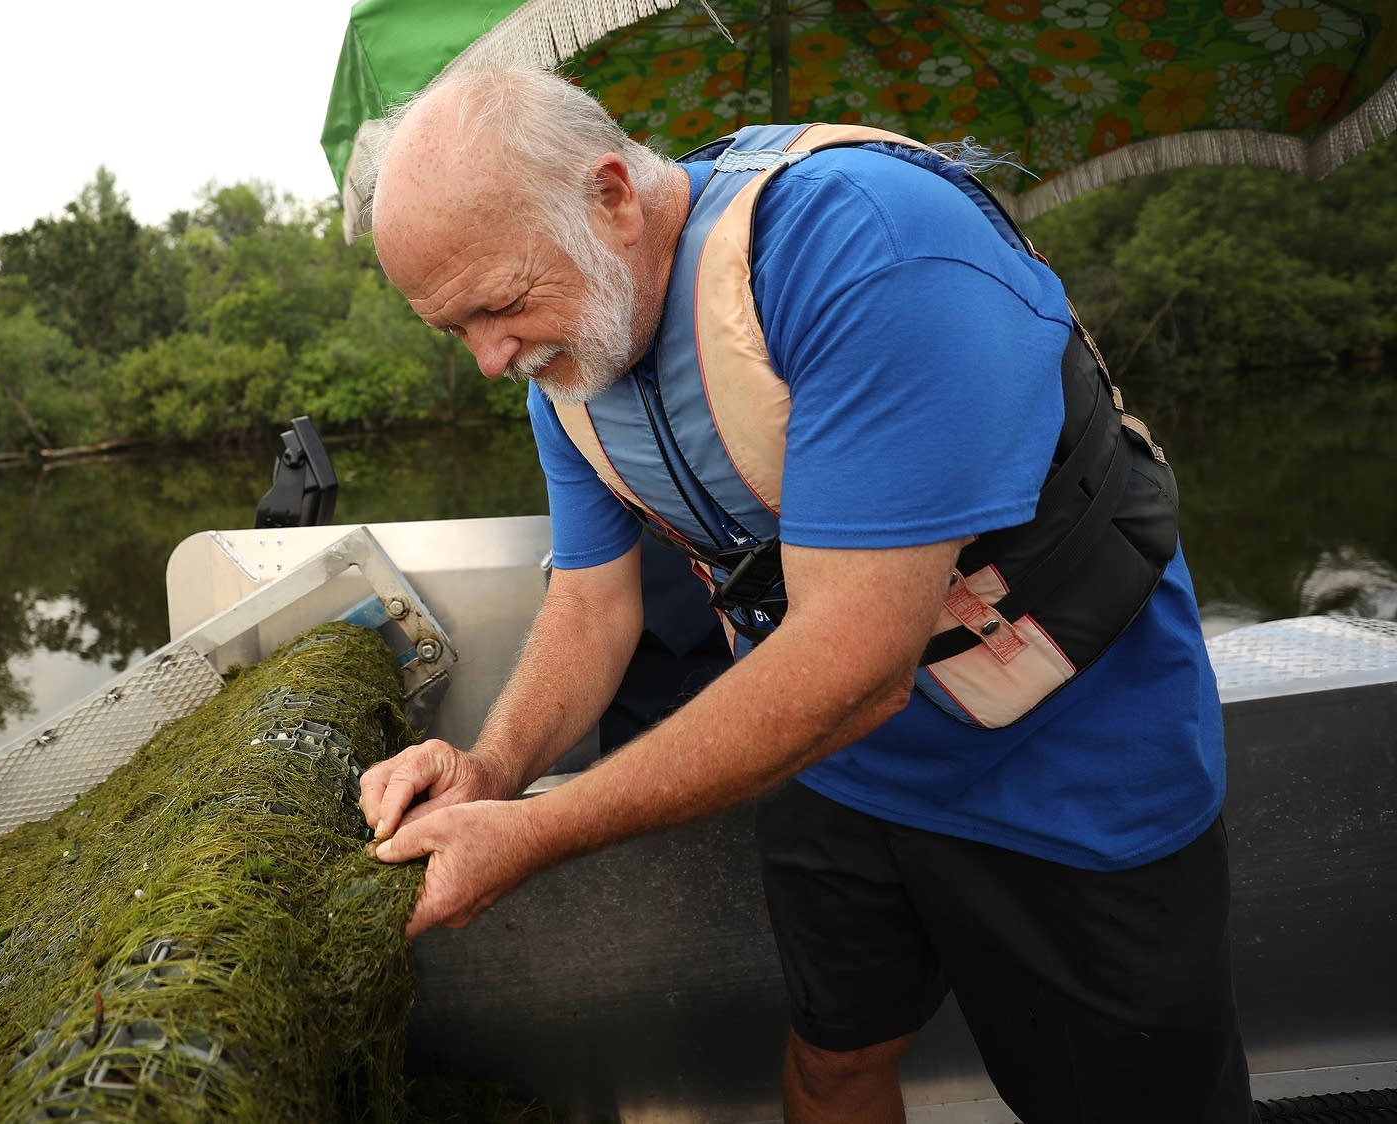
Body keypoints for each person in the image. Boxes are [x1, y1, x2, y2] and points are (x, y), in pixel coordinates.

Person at [358, 64, 1250, 1124]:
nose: (490, 360)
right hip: (830, 767)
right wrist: (488, 772)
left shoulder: (867, 247)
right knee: (833, 1061)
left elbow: (854, 665)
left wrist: (536, 836)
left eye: (497, 307)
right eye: (450, 327)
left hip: (1064, 762)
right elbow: (591, 608)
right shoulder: (572, 350)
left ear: (609, 197)